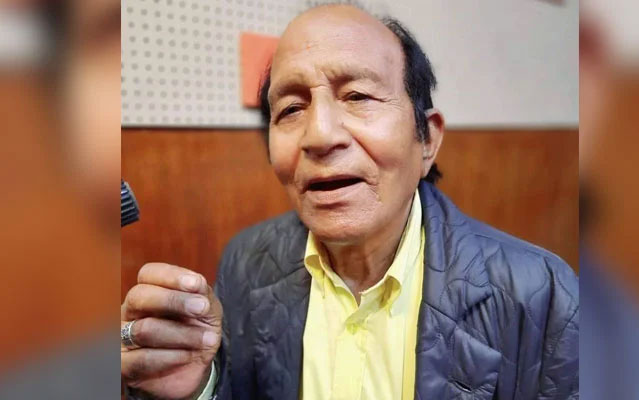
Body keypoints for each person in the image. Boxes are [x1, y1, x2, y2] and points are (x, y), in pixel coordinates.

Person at [121, 4, 578, 400]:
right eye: (291, 109)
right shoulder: (246, 262)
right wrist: (196, 389)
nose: (320, 135)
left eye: (358, 96)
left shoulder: (544, 295)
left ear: (427, 140)